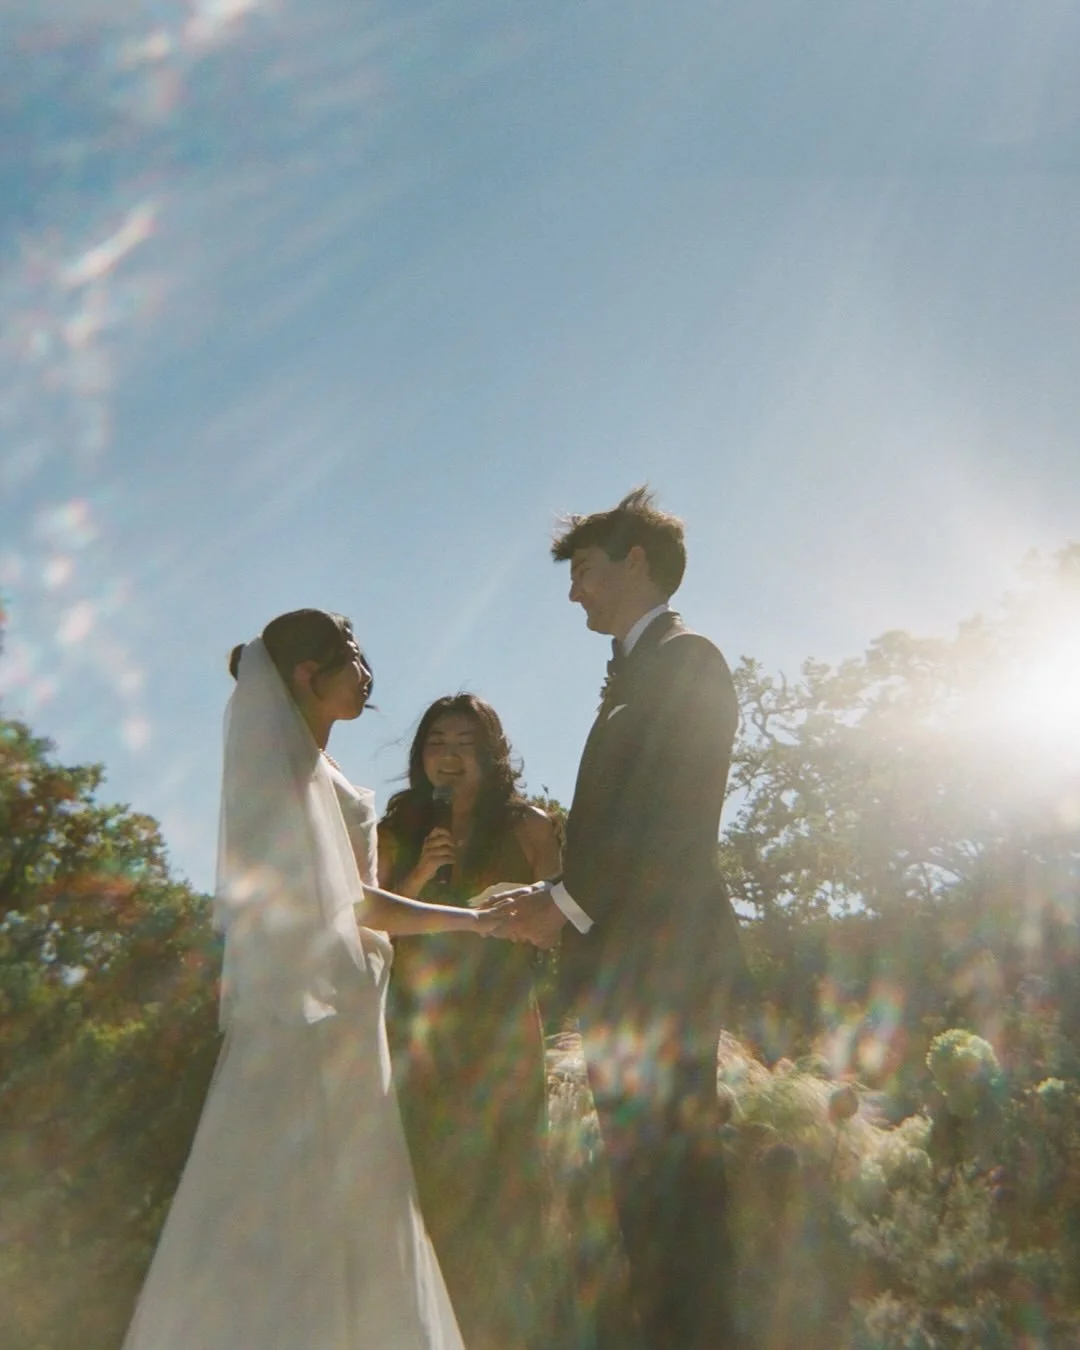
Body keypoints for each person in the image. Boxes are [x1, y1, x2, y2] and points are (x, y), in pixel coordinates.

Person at [122, 609, 502, 1350]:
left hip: (348, 1017)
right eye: (352, 656)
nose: (367, 671)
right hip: (317, 1027)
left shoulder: (315, 770)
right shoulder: (290, 774)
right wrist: (476, 922)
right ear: (306, 674)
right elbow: (356, 905)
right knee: (307, 1204)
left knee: (346, 1207)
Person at [491, 488, 751, 1350]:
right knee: (647, 1197)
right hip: (623, 969)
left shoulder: (690, 662)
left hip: (663, 967)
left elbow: (669, 819)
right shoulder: (634, 676)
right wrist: (553, 892)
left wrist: (561, 903)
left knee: (675, 1195)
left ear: (636, 561)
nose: (575, 595)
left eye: (586, 572)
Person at [377, 694, 562, 1350]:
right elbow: (370, 929)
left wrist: (523, 922)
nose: (449, 756)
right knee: (426, 1192)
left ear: (490, 755)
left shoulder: (528, 827)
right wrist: (424, 871)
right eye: (436, 743)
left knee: (507, 1193)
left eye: (464, 742)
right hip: (419, 1031)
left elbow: (560, 927)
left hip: (502, 1027)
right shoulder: (397, 825)